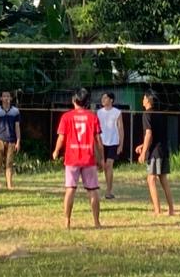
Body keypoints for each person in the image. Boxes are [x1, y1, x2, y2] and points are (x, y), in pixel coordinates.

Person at [52, 87, 103, 229]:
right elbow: (99, 141)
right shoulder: (93, 117)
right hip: (88, 158)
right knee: (93, 190)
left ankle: (67, 221)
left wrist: (56, 151)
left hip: (72, 158)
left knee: (70, 189)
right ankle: (96, 222)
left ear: (74, 100)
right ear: (87, 101)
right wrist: (101, 159)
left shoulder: (66, 117)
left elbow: (61, 138)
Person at [136, 90, 175, 216]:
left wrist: (144, 152)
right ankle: (171, 210)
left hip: (155, 152)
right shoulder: (159, 114)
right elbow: (157, 135)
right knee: (163, 179)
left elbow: (149, 134)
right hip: (163, 150)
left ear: (148, 99)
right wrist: (142, 146)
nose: (142, 100)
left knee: (151, 179)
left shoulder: (147, 114)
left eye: (143, 98)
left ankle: (157, 211)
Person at [96, 92, 125, 199]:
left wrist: (121, 144)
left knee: (109, 165)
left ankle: (109, 191)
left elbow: (121, 128)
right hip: (102, 142)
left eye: (105, 97)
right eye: (102, 97)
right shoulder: (99, 112)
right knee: (103, 166)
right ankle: (105, 188)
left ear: (111, 100)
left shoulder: (117, 112)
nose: (103, 99)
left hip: (113, 142)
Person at [0, 91, 21, 189]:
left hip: (11, 140)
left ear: (11, 99)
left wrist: (18, 141)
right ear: (1, 98)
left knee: (9, 163)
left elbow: (17, 127)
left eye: (8, 96)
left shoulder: (15, 111)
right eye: (4, 96)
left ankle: (9, 185)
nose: (6, 98)